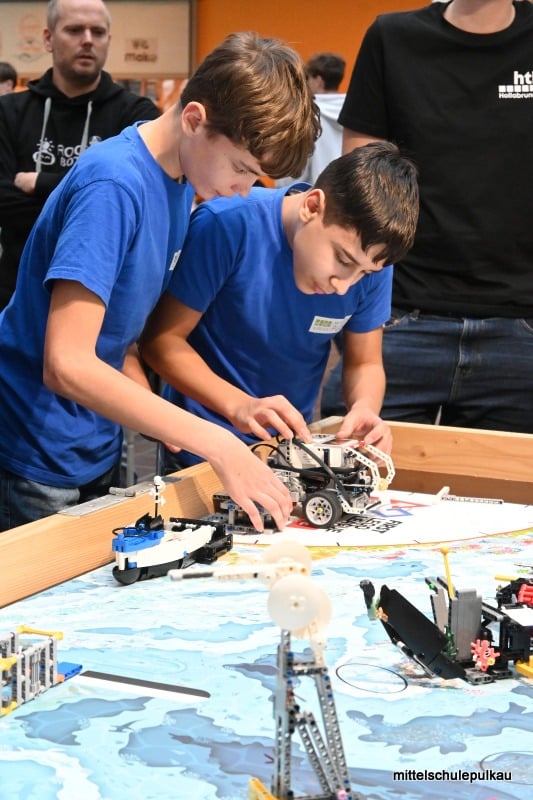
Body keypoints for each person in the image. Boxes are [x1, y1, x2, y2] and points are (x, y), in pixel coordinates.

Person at [0, 30, 320, 533]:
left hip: (91, 443)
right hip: (34, 455)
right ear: (194, 119)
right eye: (241, 169)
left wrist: (235, 407)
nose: (243, 191)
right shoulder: (114, 185)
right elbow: (67, 363)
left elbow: (118, 338)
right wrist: (216, 442)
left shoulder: (179, 181)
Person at [139, 142, 419, 471]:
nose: (344, 284)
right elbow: (160, 341)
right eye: (342, 260)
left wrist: (365, 408)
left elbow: (364, 363)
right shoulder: (228, 224)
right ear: (312, 207)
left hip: (288, 455)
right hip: (199, 450)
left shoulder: (371, 262)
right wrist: (238, 405)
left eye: (364, 272)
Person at [322, 0, 533, 435]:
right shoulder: (393, 38)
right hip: (400, 317)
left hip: (519, 330)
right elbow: (360, 190)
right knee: (346, 463)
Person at [0, 0, 161, 311]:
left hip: (103, 302)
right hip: (14, 296)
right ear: (48, 38)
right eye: (74, 30)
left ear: (108, 41)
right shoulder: (8, 112)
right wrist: (97, 205)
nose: (87, 40)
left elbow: (141, 202)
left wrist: (41, 183)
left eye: (97, 32)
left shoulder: (136, 115)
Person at [278, 52, 346, 186]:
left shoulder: (307, 113)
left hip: (316, 191)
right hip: (350, 189)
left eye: (308, 78)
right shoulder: (355, 112)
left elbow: (296, 170)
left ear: (319, 81)